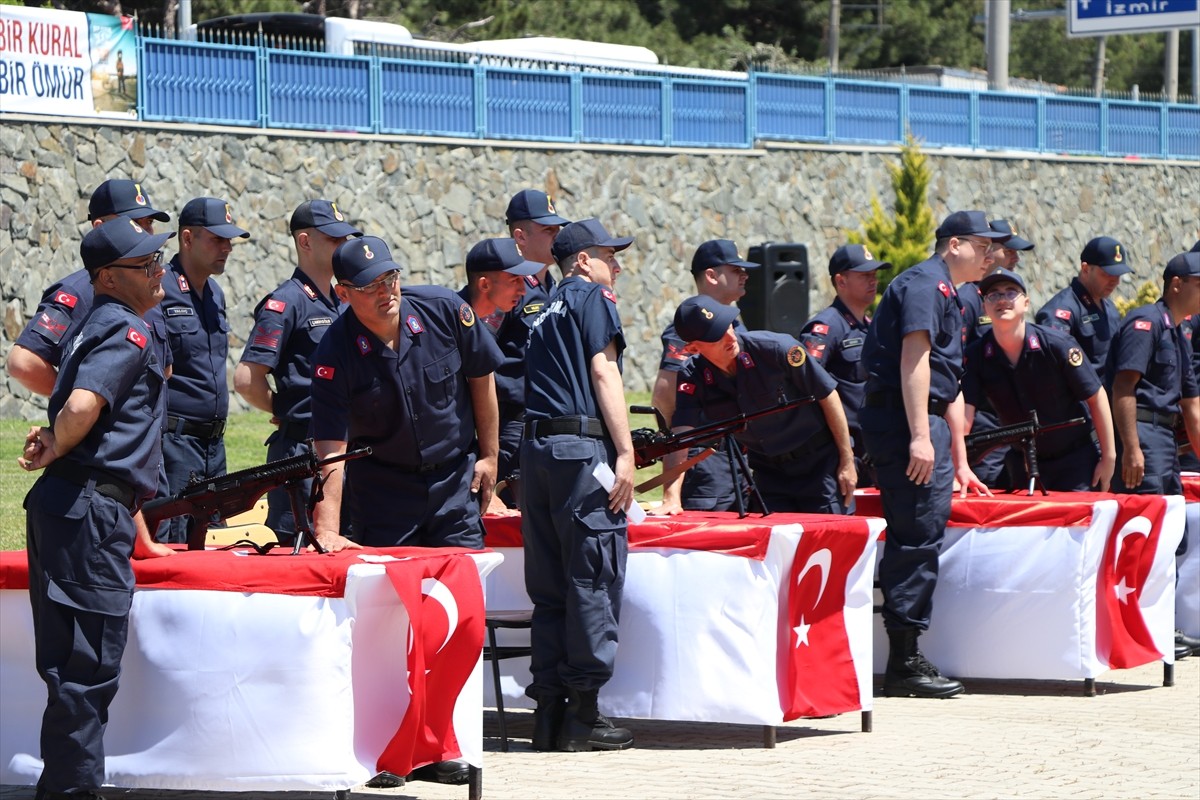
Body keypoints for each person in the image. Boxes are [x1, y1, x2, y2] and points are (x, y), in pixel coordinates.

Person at [19, 218, 176, 800]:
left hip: (69, 506)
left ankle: (62, 789)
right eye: (147, 266)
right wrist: (59, 440)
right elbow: (84, 404)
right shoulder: (128, 331)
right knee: (86, 670)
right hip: (88, 515)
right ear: (108, 277)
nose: (160, 271)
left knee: (69, 670)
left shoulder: (90, 326)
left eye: (159, 261)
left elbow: (81, 409)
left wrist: (56, 440)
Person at [859, 209, 1000, 699]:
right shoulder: (925, 284)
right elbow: (914, 358)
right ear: (954, 244)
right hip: (906, 420)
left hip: (927, 419)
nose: (990, 255)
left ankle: (906, 651)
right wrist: (920, 434)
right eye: (982, 246)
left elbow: (950, 379)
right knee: (916, 531)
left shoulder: (953, 293)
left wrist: (958, 457)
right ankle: (902, 661)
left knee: (924, 529)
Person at [520, 218, 637, 753]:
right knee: (592, 579)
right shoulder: (593, 298)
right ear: (583, 261)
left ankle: (547, 714)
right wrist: (627, 452)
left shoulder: (539, 309)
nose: (618, 265)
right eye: (610, 255)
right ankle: (584, 717)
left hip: (538, 456)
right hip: (579, 453)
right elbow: (603, 371)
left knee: (549, 590)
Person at [309, 235, 502, 551]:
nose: (385, 291)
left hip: (454, 484)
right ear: (343, 293)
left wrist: (490, 457)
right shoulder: (333, 352)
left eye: (389, 278)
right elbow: (331, 447)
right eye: (369, 286)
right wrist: (327, 529)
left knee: (459, 588)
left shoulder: (445, 310)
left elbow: (481, 377)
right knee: (390, 595)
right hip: (384, 495)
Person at [233, 199, 360, 545]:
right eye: (334, 239)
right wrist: (283, 409)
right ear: (305, 242)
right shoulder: (286, 302)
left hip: (342, 449)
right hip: (302, 453)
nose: (342, 246)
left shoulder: (340, 300)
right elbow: (246, 379)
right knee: (300, 549)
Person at [670, 295, 857, 514]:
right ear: (693, 349)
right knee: (776, 543)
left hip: (819, 466)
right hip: (768, 472)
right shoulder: (692, 375)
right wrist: (671, 496)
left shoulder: (777, 349)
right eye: (716, 336)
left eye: (728, 325)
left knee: (829, 542)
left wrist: (847, 460)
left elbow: (828, 395)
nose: (729, 338)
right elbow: (682, 434)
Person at [9, 179, 172, 397]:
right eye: (134, 223)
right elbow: (23, 363)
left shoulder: (149, 287)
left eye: (149, 222)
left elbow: (165, 368)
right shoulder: (77, 291)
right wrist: (81, 408)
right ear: (100, 227)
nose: (146, 232)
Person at [962, 268, 1116, 492]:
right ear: (984, 306)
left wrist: (1109, 458)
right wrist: (959, 465)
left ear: (1026, 303)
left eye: (1010, 293)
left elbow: (1096, 396)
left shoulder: (1057, 345)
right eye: (993, 294)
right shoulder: (977, 356)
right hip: (1021, 464)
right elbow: (965, 416)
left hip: (1075, 463)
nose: (1002, 299)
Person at [155, 197, 250, 543]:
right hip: (175, 444)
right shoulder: (160, 289)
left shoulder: (215, 293)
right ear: (187, 238)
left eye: (229, 241)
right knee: (175, 539)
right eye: (217, 239)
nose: (227, 248)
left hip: (214, 446)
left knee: (213, 541)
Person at [652, 239, 757, 515]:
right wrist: (681, 452)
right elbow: (664, 398)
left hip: (738, 457)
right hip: (705, 462)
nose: (744, 275)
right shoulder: (690, 326)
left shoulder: (736, 324)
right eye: (735, 269)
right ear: (711, 275)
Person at [490, 189, 570, 507]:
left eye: (557, 229)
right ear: (520, 236)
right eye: (548, 230)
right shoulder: (505, 286)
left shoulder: (557, 288)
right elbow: (477, 356)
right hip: (511, 423)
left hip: (549, 422)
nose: (557, 236)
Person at [1109, 250, 1200, 494]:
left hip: (1166, 441)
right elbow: (1123, 387)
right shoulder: (1146, 322)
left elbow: (1192, 405)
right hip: (1143, 437)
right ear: (1177, 285)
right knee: (1145, 521)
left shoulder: (1180, 334)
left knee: (1170, 523)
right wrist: (1131, 447)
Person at [955, 220, 1036, 488]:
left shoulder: (1010, 296)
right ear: (989, 251)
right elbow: (957, 361)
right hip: (982, 421)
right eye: (1009, 250)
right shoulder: (968, 297)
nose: (1015, 258)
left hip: (1012, 420)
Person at [800, 243, 888, 487]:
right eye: (864, 276)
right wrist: (843, 453)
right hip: (839, 454)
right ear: (841, 281)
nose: (873, 281)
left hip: (869, 451)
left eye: (874, 275)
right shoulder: (825, 328)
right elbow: (807, 389)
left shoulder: (869, 326)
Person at [1036, 236, 1131, 382]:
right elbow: (1054, 369)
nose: (1115, 281)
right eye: (1107, 274)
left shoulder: (1110, 308)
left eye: (1118, 275)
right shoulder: (1061, 311)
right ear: (1085, 269)